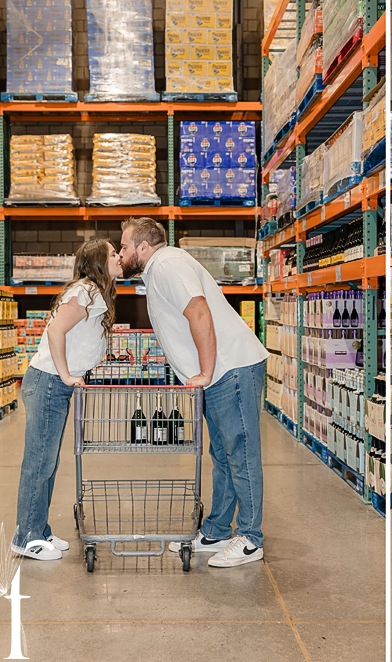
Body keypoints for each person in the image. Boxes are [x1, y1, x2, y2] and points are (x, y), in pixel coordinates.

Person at [118, 218, 269, 568]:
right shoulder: (159, 270)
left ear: (143, 248)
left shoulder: (168, 263)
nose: (121, 253)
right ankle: (216, 530)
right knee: (224, 454)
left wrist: (205, 370)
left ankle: (249, 538)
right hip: (219, 372)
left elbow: (198, 311)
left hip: (229, 369)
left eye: (124, 247)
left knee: (241, 453)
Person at [12, 239, 122, 560]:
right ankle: (27, 536)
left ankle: (39, 529)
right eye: (112, 253)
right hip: (48, 381)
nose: (118, 257)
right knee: (39, 462)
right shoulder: (86, 291)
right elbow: (55, 332)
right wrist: (64, 374)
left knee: (49, 460)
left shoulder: (93, 293)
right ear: (99, 262)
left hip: (53, 384)